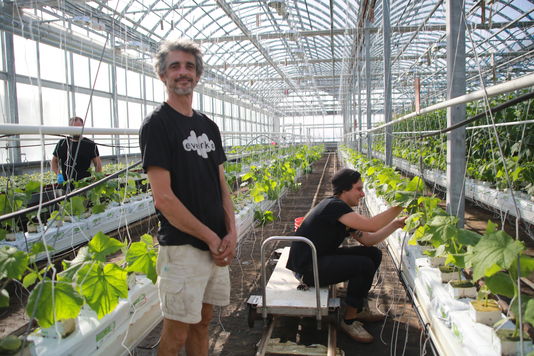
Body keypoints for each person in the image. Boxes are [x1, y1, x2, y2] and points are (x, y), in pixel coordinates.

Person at [139, 38, 236, 356]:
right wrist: (210, 237)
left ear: (198, 75)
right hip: (182, 248)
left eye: (189, 66)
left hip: (216, 245)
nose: (183, 72)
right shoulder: (158, 125)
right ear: (163, 76)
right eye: (175, 66)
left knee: (204, 321)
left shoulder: (208, 126)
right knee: (176, 332)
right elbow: (163, 199)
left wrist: (231, 233)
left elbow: (221, 186)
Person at [286, 168, 406, 344]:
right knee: (362, 265)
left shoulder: (341, 210)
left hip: (319, 259)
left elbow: (369, 240)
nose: (363, 194)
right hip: (307, 269)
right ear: (344, 190)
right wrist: (402, 204)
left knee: (372, 254)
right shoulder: (334, 207)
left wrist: (395, 224)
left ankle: (358, 308)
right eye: (358, 189)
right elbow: (371, 225)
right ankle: (348, 321)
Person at [51, 116, 102, 183]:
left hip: (85, 185)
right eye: (74, 128)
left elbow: (98, 164)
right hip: (66, 184)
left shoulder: (90, 144)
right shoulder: (62, 143)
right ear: (69, 128)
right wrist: (58, 174)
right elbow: (54, 161)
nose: (77, 130)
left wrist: (96, 180)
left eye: (79, 128)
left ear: (83, 127)